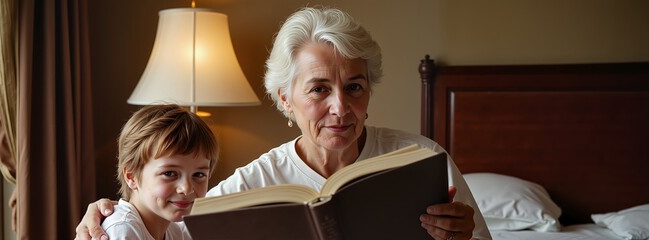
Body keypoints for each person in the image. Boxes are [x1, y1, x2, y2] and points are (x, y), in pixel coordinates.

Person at [77, 7, 491, 240]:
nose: (340, 108)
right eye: (318, 89)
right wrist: (111, 213)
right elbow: (172, 231)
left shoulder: (422, 159)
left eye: (354, 87)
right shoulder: (252, 183)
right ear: (284, 100)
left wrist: (463, 238)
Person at [101, 104, 219, 240]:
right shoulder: (122, 230)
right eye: (169, 173)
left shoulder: (174, 231)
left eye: (199, 174)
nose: (187, 189)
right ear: (131, 176)